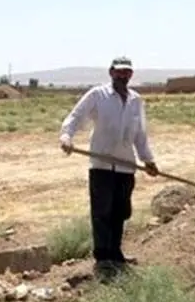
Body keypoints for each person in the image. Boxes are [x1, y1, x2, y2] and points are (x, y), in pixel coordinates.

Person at [59, 56, 159, 280]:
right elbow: (76, 116)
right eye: (119, 71)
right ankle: (103, 258)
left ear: (131, 75)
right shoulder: (98, 95)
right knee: (102, 212)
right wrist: (66, 136)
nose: (123, 75)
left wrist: (148, 160)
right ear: (111, 72)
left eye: (127, 72)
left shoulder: (136, 100)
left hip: (126, 166)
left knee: (121, 212)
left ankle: (116, 253)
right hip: (102, 165)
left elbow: (140, 135)